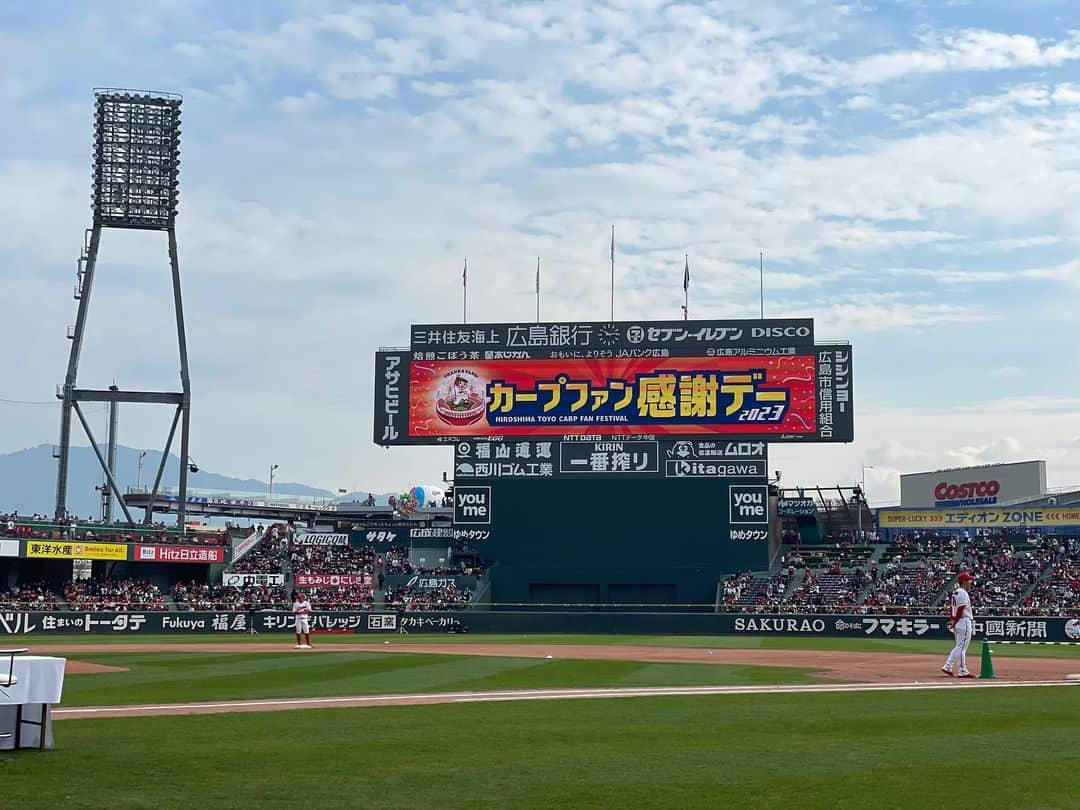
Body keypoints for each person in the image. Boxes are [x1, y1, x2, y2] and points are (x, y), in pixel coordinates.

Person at [942, 572, 975, 678]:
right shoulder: (963, 593)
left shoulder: (955, 592)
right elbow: (960, 609)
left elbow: (952, 608)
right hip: (963, 621)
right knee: (962, 648)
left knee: (958, 646)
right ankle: (962, 670)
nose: (970, 582)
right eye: (968, 580)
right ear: (964, 581)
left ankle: (947, 666)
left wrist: (952, 620)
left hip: (958, 621)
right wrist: (955, 621)